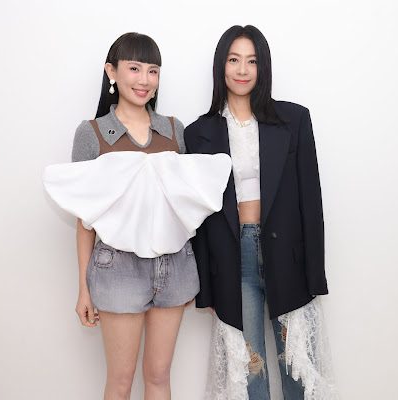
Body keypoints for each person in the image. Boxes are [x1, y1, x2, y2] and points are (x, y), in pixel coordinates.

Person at [45, 32, 230, 400]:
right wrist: (83, 287)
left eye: (153, 71)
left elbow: (184, 205)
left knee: (159, 376)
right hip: (117, 268)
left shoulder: (174, 130)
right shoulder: (93, 134)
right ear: (111, 72)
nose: (144, 80)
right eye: (134, 68)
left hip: (175, 266)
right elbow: (85, 219)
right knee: (121, 380)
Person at [184, 25, 337, 399]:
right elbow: (199, 219)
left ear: (263, 66)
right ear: (221, 66)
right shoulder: (199, 132)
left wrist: (314, 273)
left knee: (297, 366)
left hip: (287, 256)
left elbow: (310, 200)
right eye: (234, 60)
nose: (242, 70)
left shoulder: (293, 119)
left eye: (251, 61)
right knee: (250, 368)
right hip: (233, 261)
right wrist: (206, 288)